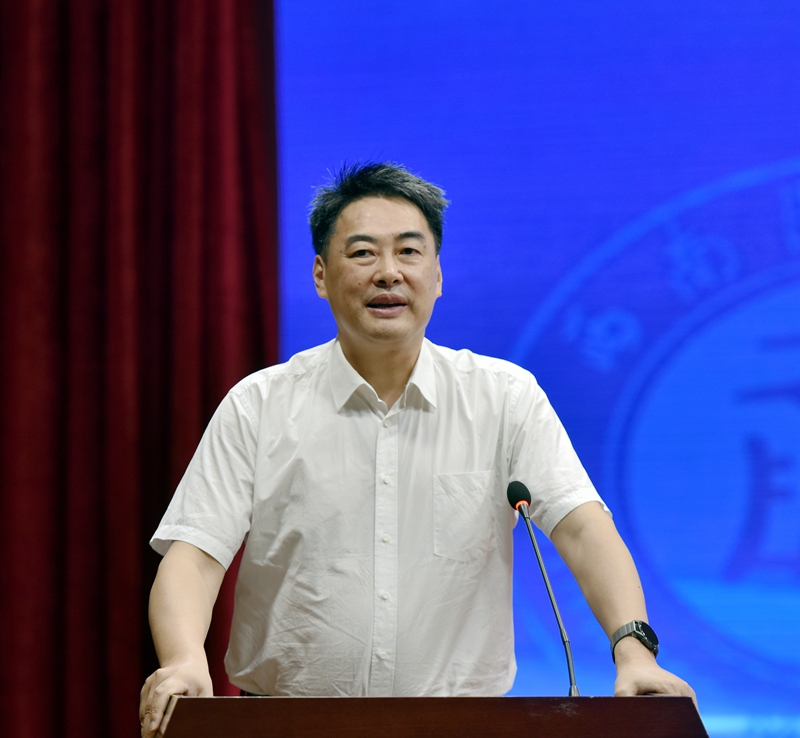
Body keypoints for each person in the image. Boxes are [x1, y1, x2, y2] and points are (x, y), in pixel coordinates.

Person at [139, 163, 695, 737]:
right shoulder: (258, 406)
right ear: (321, 275)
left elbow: (581, 528)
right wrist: (184, 659)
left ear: (437, 275)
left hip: (465, 724)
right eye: (362, 253)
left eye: (409, 252)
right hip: (286, 721)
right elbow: (195, 555)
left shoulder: (504, 397)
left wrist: (634, 651)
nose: (388, 273)